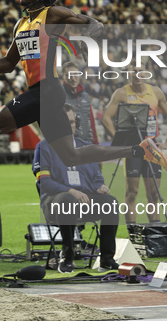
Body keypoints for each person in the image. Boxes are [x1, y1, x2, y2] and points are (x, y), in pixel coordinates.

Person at [0, 0, 167, 214]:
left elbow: (96, 24)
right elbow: (9, 63)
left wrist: (86, 40)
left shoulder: (51, 15)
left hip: (48, 89)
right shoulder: (20, 25)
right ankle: (138, 150)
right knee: (71, 156)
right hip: (40, 92)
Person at [33, 105, 119, 273]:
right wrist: (71, 191)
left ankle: (107, 259)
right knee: (67, 200)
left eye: (72, 122)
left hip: (84, 200)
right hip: (56, 202)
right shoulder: (43, 147)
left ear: (76, 124)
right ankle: (67, 255)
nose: (68, 126)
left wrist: (100, 186)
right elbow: (44, 182)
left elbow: (96, 178)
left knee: (111, 202)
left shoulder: (86, 147)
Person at [101, 67, 167, 224]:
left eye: (141, 70)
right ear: (129, 74)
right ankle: (132, 231)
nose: (137, 74)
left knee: (154, 194)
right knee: (132, 193)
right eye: (133, 71)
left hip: (152, 146)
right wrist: (120, 139)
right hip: (133, 148)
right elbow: (106, 117)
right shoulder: (122, 93)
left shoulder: (156, 92)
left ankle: (155, 230)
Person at [62, 61, 98, 144]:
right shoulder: (60, 97)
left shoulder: (85, 96)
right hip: (71, 146)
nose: (73, 78)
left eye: (75, 74)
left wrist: (96, 144)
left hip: (88, 145)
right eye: (69, 75)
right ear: (63, 76)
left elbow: (92, 124)